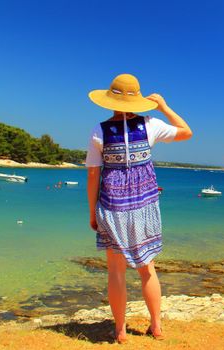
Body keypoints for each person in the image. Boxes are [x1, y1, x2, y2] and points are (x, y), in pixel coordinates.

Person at [86, 73, 192, 343]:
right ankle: (156, 326)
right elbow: (186, 132)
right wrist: (164, 107)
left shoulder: (99, 131)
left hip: (113, 205)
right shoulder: (151, 125)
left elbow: (92, 175)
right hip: (144, 205)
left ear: (110, 98)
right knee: (147, 268)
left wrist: (91, 213)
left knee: (116, 270)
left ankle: (120, 331)